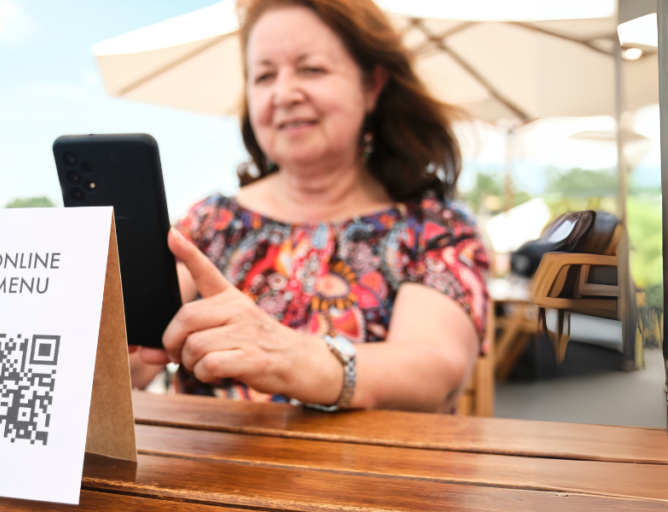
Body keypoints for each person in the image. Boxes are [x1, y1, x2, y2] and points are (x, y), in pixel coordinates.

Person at [130, 0, 489, 413]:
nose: (284, 94)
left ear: (372, 84)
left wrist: (292, 358)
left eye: (311, 69)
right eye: (264, 75)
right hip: (207, 474)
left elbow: (435, 373)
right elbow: (137, 364)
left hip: (371, 475)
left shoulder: (435, 227)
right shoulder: (212, 221)